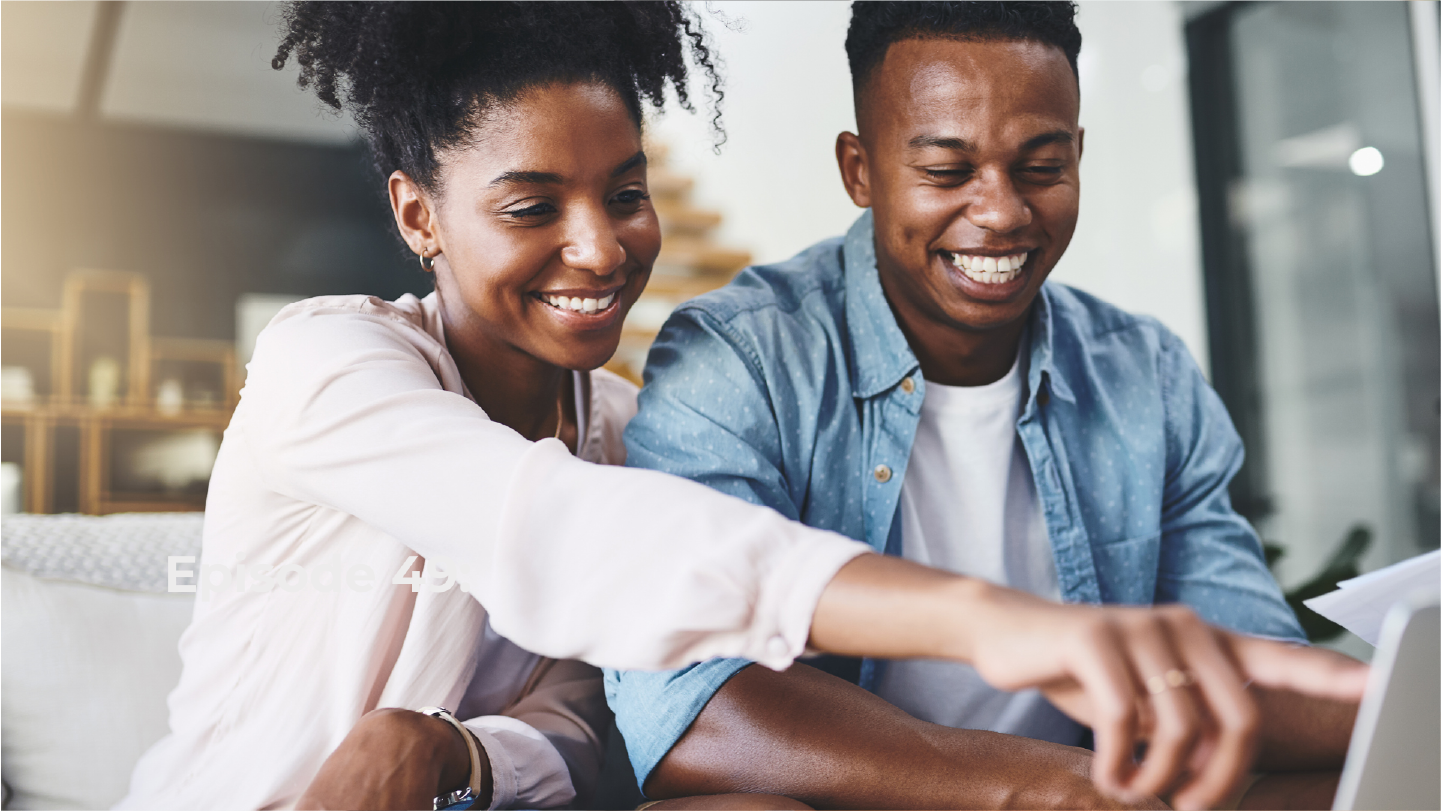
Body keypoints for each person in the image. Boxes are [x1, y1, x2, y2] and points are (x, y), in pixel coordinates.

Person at [117, 3, 1364, 811]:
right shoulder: (326, 367)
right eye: (531, 205)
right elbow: (572, 541)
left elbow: (589, 717)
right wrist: (994, 626)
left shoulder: (613, 426)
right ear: (416, 215)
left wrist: (448, 748)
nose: (600, 249)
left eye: (625, 191)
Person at [604, 3, 1364, 810]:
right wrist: (1035, 787)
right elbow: (688, 709)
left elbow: (1241, 659)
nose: (1001, 212)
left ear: (1077, 155)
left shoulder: (1143, 373)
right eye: (945, 170)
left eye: (1040, 167)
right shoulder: (742, 358)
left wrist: (1392, 694)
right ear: (859, 170)